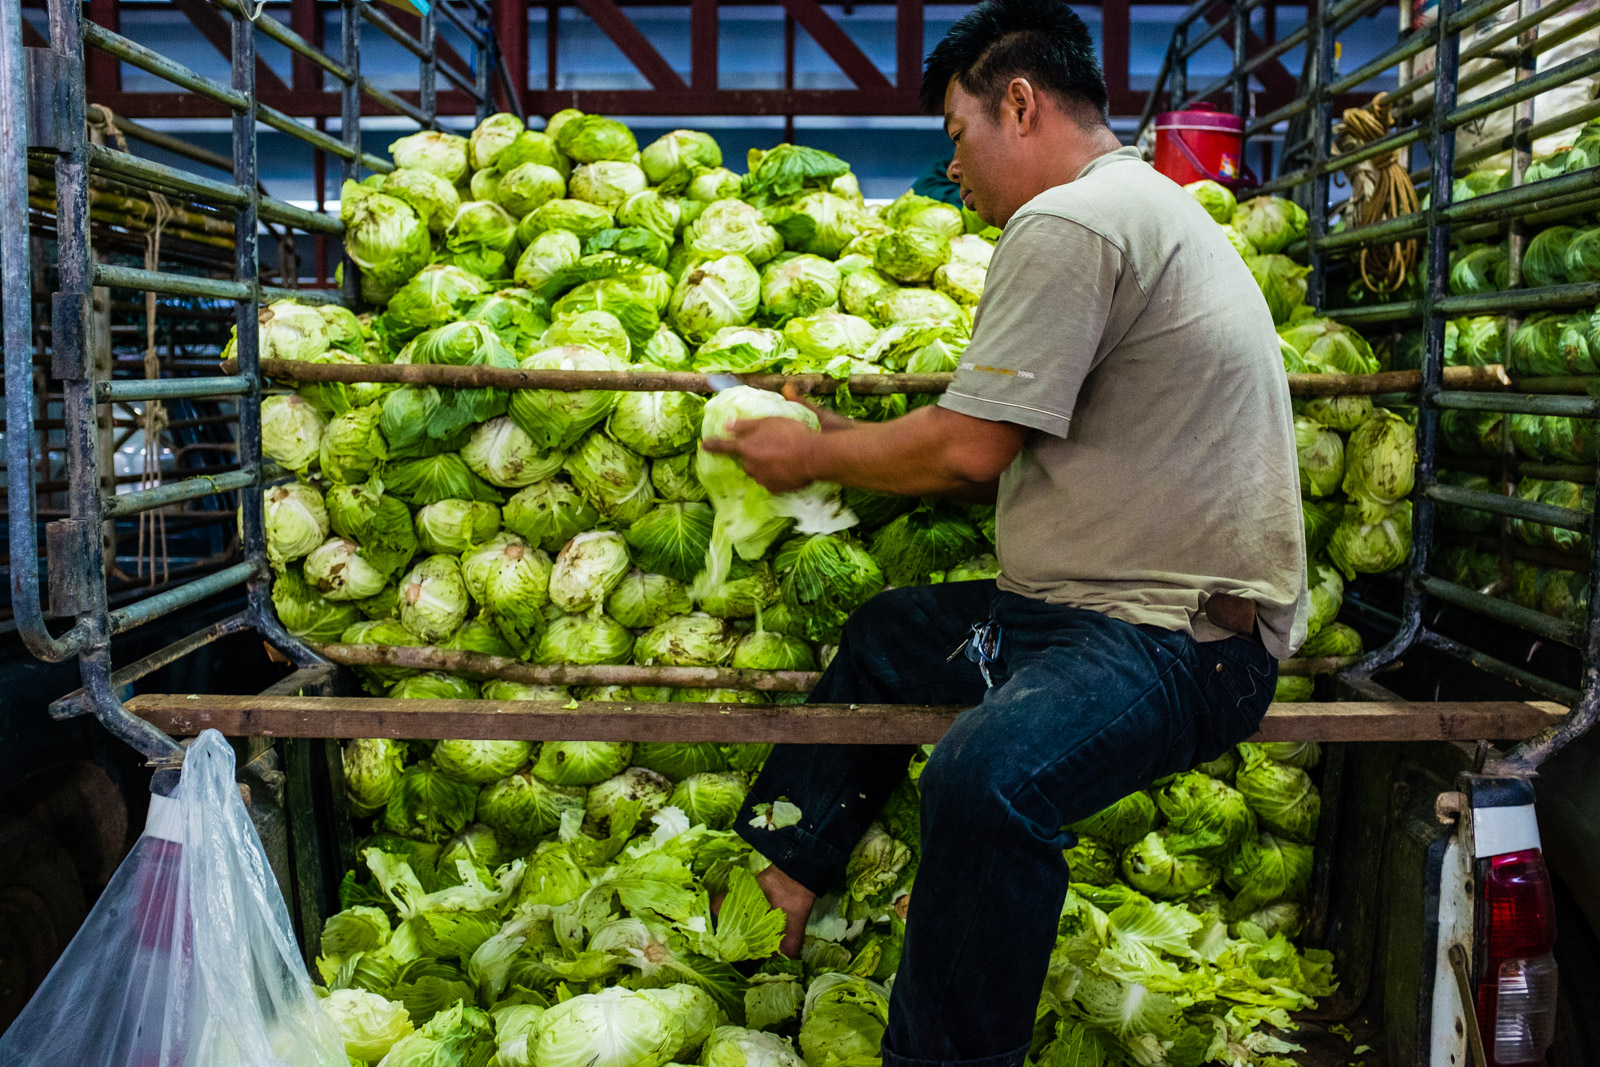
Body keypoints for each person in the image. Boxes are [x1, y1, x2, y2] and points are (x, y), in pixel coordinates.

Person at [702, 0, 1308, 1061]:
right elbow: (999, 440)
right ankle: (782, 878)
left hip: (1174, 643)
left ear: (1018, 103)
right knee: (890, 634)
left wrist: (808, 454)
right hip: (1073, 618)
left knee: (986, 778)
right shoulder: (1135, 209)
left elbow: (964, 452)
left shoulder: (1072, 221)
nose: (952, 173)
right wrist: (850, 433)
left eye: (955, 134)